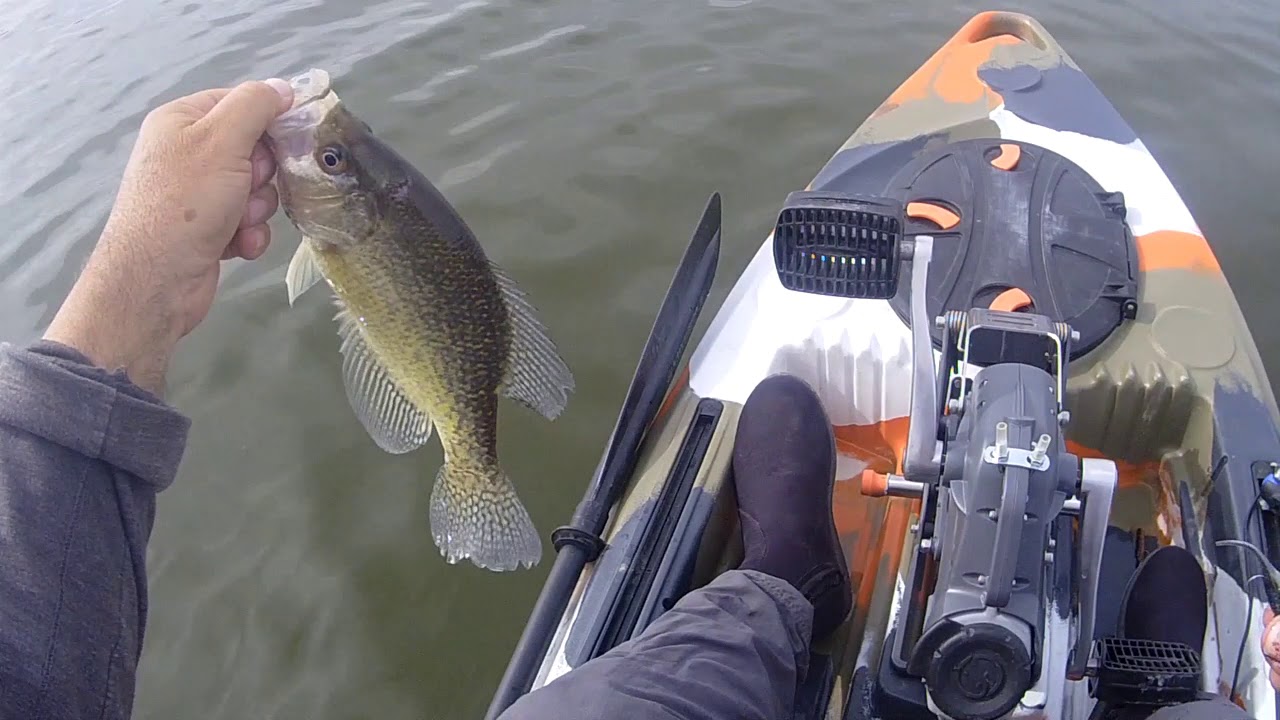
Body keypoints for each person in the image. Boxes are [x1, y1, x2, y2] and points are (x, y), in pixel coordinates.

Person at [0, 79, 1274, 720]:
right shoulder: (346, 230)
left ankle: (783, 587)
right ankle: (1156, 687)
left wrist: (118, 308)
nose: (316, 159)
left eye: (331, 161)